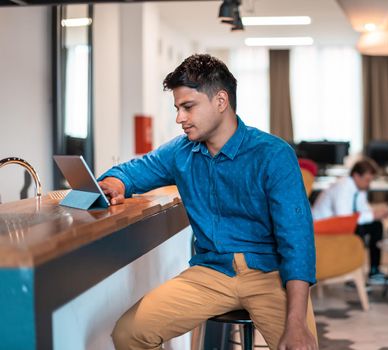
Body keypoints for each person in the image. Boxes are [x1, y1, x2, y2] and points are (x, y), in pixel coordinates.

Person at [99, 54, 318, 350]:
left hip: (271, 273)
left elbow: (298, 240)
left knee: (299, 345)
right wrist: (114, 183)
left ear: (220, 101)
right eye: (177, 108)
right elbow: (131, 171)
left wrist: (296, 323)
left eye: (188, 107)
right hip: (210, 272)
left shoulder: (273, 154)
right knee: (128, 333)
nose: (179, 118)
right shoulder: (181, 151)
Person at [311, 158, 388, 285]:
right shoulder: (343, 186)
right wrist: (372, 215)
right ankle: (351, 274)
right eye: (367, 180)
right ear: (356, 176)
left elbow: (364, 210)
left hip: (337, 224)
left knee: (376, 225)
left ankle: (374, 271)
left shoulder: (358, 189)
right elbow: (345, 218)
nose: (368, 184)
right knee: (358, 228)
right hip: (321, 227)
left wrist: (375, 214)